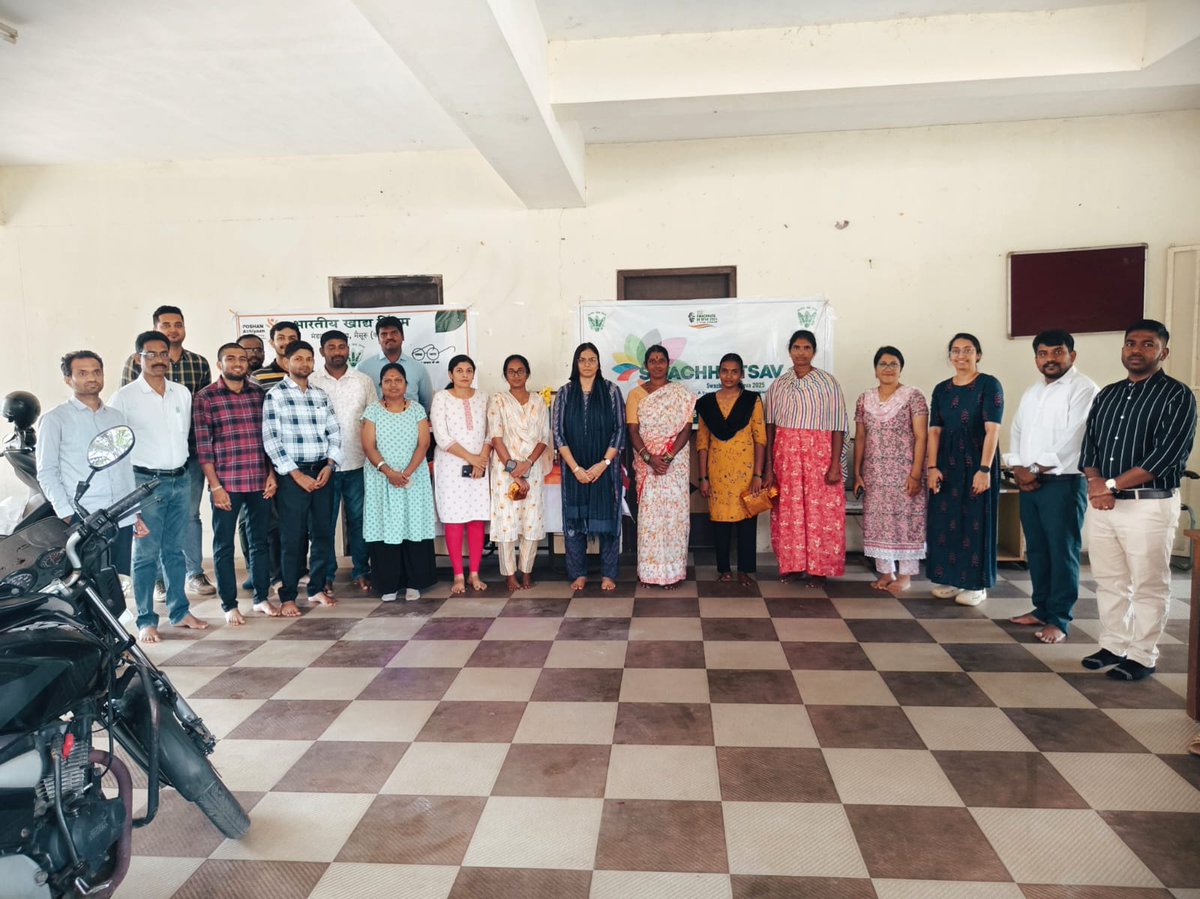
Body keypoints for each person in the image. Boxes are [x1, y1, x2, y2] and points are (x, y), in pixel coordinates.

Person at [1079, 319, 1196, 681]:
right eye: (1131, 343)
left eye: (1148, 344)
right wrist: (1097, 483)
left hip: (1148, 505)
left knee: (1148, 583)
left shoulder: (1177, 395)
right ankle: (1113, 645)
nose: (1137, 350)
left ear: (1163, 352)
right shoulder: (1108, 394)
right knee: (1110, 580)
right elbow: (1090, 446)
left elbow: (1166, 455)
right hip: (1105, 504)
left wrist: (1109, 484)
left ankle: (1143, 655)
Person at [110, 331, 208, 643]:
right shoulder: (124, 398)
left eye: (162, 353)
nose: (157, 360)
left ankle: (179, 612)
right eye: (150, 354)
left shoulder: (182, 393)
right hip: (144, 483)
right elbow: (117, 449)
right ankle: (146, 619)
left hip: (181, 478)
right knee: (145, 554)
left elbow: (183, 438)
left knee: (175, 551)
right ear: (138, 358)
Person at [1003, 329, 1099, 643]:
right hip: (1030, 483)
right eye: (1043, 353)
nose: (1050, 359)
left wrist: (1034, 470)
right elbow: (1016, 429)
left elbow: (1075, 437)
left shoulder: (1083, 389)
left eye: (1057, 352)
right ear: (1036, 359)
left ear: (1072, 355)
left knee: (1063, 551)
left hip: (1063, 482)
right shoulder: (1033, 392)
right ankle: (1041, 608)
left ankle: (1059, 619)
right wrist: (1018, 468)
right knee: (1038, 550)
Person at [121, 305, 215, 597]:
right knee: (151, 527)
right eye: (166, 325)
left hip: (187, 459)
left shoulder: (197, 365)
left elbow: (200, 413)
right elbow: (127, 420)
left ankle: (194, 573)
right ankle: (157, 582)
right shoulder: (130, 373)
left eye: (178, 324)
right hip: (147, 465)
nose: (173, 330)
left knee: (189, 517)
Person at [37, 350, 147, 575]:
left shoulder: (116, 417)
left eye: (97, 372)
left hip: (120, 514)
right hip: (84, 516)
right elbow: (46, 471)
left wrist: (133, 513)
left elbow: (124, 468)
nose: (92, 378)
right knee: (87, 584)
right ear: (69, 379)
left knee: (119, 581)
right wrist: (66, 513)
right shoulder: (55, 419)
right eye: (83, 373)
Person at [193, 342, 279, 625]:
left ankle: (261, 597)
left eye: (242, 358)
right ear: (220, 364)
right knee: (224, 546)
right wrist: (215, 486)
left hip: (258, 481)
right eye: (231, 358)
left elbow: (268, 440)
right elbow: (204, 449)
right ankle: (229, 604)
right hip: (226, 485)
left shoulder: (258, 394)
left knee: (259, 543)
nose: (238, 363)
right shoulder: (206, 398)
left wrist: (270, 474)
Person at [261, 340, 343, 616]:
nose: (305, 364)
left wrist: (330, 465)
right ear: (286, 362)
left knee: (322, 533)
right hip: (292, 476)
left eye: (309, 359)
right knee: (292, 538)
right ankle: (287, 597)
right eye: (298, 358)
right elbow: (271, 440)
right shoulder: (276, 395)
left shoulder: (320, 395)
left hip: (323, 472)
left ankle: (317, 588)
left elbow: (335, 433)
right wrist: (295, 474)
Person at [763, 329, 849, 584]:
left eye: (806, 348)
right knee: (789, 510)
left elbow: (838, 425)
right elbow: (770, 426)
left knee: (820, 512)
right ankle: (792, 565)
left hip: (819, 456)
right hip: (786, 459)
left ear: (814, 352)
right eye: (796, 348)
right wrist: (769, 466)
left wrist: (835, 464)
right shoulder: (779, 384)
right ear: (789, 351)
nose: (801, 353)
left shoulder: (827, 383)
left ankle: (819, 568)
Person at [926, 333, 1004, 606]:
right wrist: (932, 466)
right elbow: (934, 430)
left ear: (978, 355)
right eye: (956, 351)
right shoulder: (941, 390)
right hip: (947, 462)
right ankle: (949, 576)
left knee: (975, 520)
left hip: (976, 459)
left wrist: (984, 468)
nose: (961, 356)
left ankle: (976, 584)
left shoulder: (989, 385)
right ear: (950, 357)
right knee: (945, 521)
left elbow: (992, 429)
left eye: (967, 350)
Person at [852, 346, 929, 595]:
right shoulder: (865, 399)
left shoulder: (913, 396)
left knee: (906, 522)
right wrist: (858, 472)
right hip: (875, 473)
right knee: (878, 522)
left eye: (893, 364)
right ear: (875, 370)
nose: (887, 368)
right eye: (882, 364)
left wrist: (916, 473)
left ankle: (905, 575)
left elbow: (921, 436)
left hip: (905, 471)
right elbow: (861, 437)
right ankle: (886, 572)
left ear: (901, 368)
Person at [552, 342, 626, 592]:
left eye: (592, 359)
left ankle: (609, 574)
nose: (587, 364)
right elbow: (558, 434)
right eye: (582, 359)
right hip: (574, 469)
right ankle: (578, 573)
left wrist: (603, 464)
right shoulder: (564, 393)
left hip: (604, 470)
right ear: (575, 363)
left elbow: (619, 430)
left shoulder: (611, 390)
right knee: (574, 522)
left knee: (608, 521)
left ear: (598, 363)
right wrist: (575, 468)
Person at [361, 363, 437, 602]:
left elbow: (424, 444)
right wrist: (388, 471)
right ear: (381, 384)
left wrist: (406, 473)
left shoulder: (417, 410)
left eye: (398, 380)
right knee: (386, 528)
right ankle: (388, 584)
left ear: (406, 384)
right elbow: (368, 445)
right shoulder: (372, 411)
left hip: (413, 478)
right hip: (380, 477)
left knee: (412, 526)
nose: (393, 384)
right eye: (387, 380)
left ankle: (415, 582)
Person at [310, 329, 376, 595]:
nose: (337, 352)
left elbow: (373, 419)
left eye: (341, 347)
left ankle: (361, 570)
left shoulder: (363, 381)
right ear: (322, 351)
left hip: (358, 462)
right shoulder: (312, 381)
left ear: (348, 350)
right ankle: (326, 574)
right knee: (324, 523)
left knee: (360, 521)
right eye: (331, 347)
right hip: (323, 466)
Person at [628, 345, 696, 589]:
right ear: (646, 365)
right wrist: (649, 458)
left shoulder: (680, 393)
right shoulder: (636, 395)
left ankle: (673, 572)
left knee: (674, 518)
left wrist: (667, 457)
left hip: (674, 464)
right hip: (647, 465)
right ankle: (649, 572)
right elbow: (633, 431)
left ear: (669, 364)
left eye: (661, 360)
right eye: (652, 360)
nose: (657, 364)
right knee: (650, 519)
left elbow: (686, 429)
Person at [697, 353, 767, 586]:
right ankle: (724, 569)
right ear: (718, 373)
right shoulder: (707, 403)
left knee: (747, 520)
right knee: (719, 522)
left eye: (734, 371)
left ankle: (745, 570)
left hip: (747, 473)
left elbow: (760, 438)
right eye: (725, 371)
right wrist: (703, 477)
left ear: (742, 374)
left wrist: (758, 474)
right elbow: (702, 442)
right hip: (717, 472)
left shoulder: (752, 400)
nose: (729, 376)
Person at [488, 354, 552, 591]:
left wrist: (528, 464)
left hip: (532, 470)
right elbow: (496, 437)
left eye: (520, 370)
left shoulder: (538, 401)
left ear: (528, 373)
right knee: (507, 523)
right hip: (505, 471)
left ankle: (527, 571)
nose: (516, 375)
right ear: (505, 375)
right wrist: (514, 469)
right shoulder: (498, 401)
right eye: (511, 371)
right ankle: (509, 574)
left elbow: (544, 437)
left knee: (531, 523)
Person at [430, 354, 491, 594]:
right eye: (459, 370)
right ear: (450, 375)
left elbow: (490, 432)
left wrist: (481, 460)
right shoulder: (441, 398)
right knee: (454, 520)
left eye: (468, 370)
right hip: (451, 466)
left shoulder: (483, 398)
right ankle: (458, 575)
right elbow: (442, 437)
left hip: (479, 467)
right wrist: (471, 458)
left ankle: (474, 573)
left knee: (476, 519)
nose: (465, 374)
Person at [355, 315, 434, 413]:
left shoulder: (418, 368)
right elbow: (357, 402)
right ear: (378, 339)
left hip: (411, 424)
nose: (389, 337)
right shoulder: (363, 368)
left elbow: (426, 404)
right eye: (384, 334)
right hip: (375, 425)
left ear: (403, 336)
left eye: (394, 333)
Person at [251, 320, 300, 387]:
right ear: (272, 342)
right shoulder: (258, 377)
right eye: (281, 338)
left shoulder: (308, 374)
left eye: (292, 338)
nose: (287, 342)